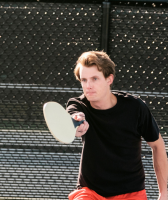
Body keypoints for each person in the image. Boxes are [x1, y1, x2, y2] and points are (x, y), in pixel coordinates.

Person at [66, 51, 167, 200]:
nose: (88, 86)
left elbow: (157, 146)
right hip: (90, 192)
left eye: (95, 78)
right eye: (84, 80)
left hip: (131, 192)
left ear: (109, 79)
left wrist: (164, 193)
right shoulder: (78, 105)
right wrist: (75, 124)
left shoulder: (135, 108)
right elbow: (73, 117)